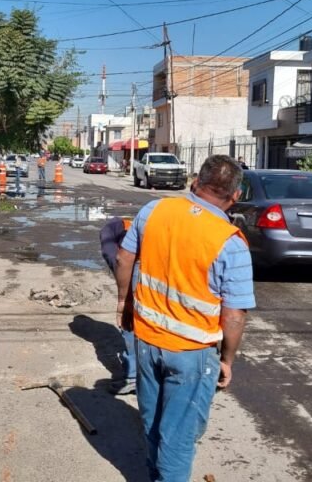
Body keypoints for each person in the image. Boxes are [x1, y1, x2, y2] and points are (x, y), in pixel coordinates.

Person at [114, 154, 254, 482]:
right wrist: (227, 359)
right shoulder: (230, 243)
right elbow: (234, 316)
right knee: (178, 436)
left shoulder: (154, 210)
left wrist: (124, 302)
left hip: (147, 343)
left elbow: (123, 257)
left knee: (152, 421)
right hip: (192, 353)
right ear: (235, 197)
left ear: (195, 183)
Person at [100, 217, 136, 396]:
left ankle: (132, 377)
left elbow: (117, 260)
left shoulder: (109, 232)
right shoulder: (142, 223)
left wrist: (123, 296)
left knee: (129, 322)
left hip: (141, 272)